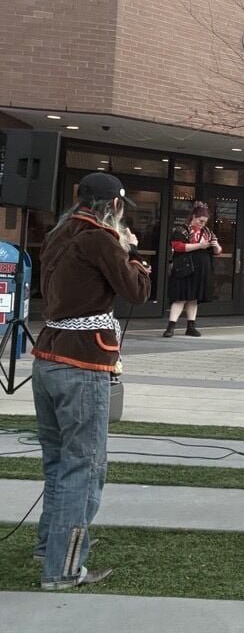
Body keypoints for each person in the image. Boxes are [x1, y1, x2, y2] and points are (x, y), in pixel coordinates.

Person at [32, 172, 152, 590]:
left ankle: (52, 544)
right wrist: (134, 256)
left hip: (48, 357)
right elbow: (135, 291)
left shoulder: (59, 233)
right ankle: (63, 567)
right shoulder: (101, 238)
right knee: (84, 467)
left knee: (59, 462)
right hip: (82, 363)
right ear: (113, 206)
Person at [164, 202, 222, 337]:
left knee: (193, 298)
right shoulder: (181, 230)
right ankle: (170, 327)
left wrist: (215, 246)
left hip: (201, 270)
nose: (202, 224)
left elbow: (218, 251)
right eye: (200, 221)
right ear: (194, 217)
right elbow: (178, 247)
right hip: (185, 269)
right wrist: (199, 246)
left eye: (205, 222)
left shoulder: (207, 232)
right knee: (180, 298)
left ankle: (191, 326)